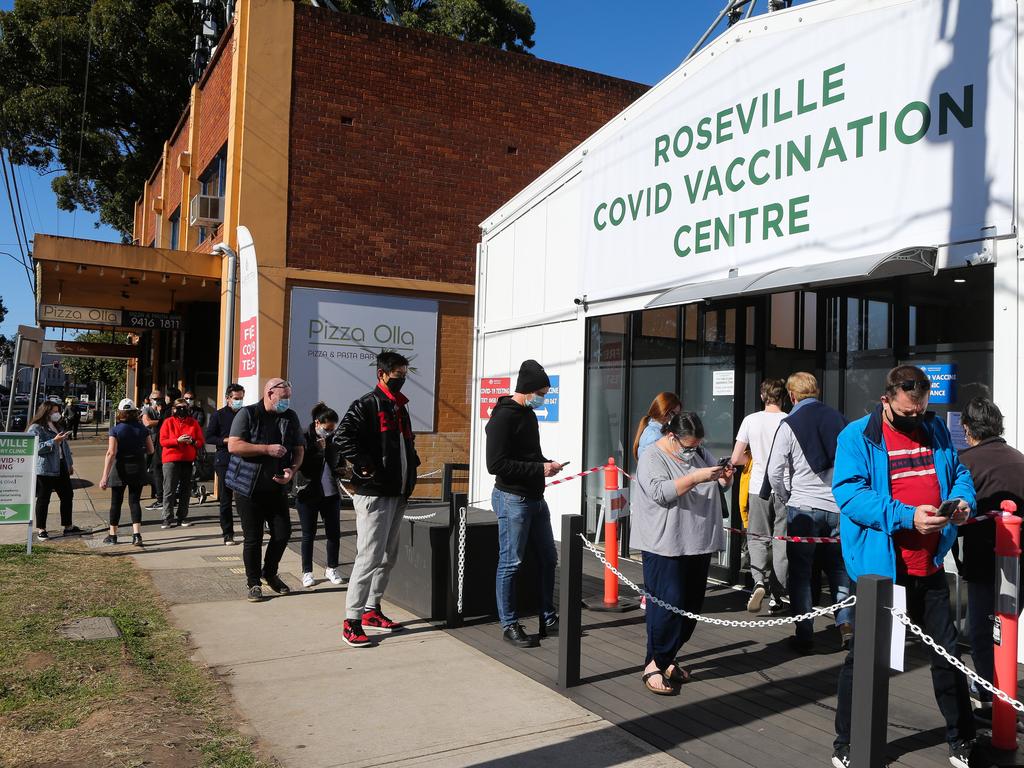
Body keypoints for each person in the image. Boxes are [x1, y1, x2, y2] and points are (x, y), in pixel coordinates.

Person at [831, 365, 977, 768]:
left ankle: (961, 737)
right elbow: (850, 496)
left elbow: (961, 474)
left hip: (929, 566)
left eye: (921, 411)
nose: (916, 419)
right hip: (882, 572)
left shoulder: (934, 429)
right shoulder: (858, 436)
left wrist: (963, 503)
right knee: (865, 660)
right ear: (886, 400)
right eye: (907, 413)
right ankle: (847, 741)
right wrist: (907, 516)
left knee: (947, 657)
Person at [633, 411, 732, 695]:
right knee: (666, 606)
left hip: (698, 541)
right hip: (664, 543)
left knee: (690, 608)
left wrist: (724, 477)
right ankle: (653, 664)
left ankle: (666, 658)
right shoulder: (653, 456)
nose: (693, 450)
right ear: (672, 436)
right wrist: (698, 476)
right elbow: (660, 492)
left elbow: (721, 483)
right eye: (688, 445)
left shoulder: (700, 452)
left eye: (697, 445)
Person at [336, 352, 420, 647]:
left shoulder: (400, 407)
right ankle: (352, 619)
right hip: (374, 492)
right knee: (369, 556)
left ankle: (372, 609)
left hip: (397, 491)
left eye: (405, 372)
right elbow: (342, 437)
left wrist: (413, 465)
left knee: (387, 556)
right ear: (382, 374)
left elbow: (405, 444)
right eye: (398, 372)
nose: (402, 377)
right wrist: (365, 464)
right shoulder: (366, 404)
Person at [765, 372, 851, 652]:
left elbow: (775, 470)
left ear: (792, 395)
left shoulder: (789, 424)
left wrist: (785, 495)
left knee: (801, 572)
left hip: (803, 505)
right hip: (837, 506)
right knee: (839, 569)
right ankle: (845, 624)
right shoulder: (839, 419)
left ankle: (805, 633)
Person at [485, 359, 563, 650]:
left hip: (535, 498)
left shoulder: (528, 414)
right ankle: (509, 624)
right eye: (541, 391)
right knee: (511, 562)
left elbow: (529, 455)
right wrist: (539, 469)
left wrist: (546, 464)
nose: (543, 397)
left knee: (548, 557)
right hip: (512, 498)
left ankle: (548, 617)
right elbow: (496, 464)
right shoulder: (504, 417)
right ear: (529, 389)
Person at [955, 397, 1024, 716]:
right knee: (1006, 628)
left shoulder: (965, 462)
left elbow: (955, 514)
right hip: (1019, 563)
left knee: (981, 631)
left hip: (984, 562)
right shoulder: (1019, 459)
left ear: (967, 428)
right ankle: (999, 690)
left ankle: (987, 693)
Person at [227, 378, 304, 602]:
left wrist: (292, 470)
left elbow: (299, 449)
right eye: (283, 398)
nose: (286, 402)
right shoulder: (248, 414)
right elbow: (234, 445)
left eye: (289, 397)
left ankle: (269, 573)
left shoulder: (290, 417)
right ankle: (253, 583)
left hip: (277, 486)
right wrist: (266, 449)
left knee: (282, 533)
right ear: (270, 394)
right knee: (254, 537)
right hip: (247, 487)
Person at [731, 378, 788, 615]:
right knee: (781, 542)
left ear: (763, 396)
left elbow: (735, 459)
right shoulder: (789, 420)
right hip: (785, 487)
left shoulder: (750, 420)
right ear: (784, 397)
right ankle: (778, 596)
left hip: (757, 487)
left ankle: (758, 581)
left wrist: (751, 460)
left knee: (757, 538)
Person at [295, 402, 347, 588]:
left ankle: (332, 567)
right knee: (309, 534)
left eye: (333, 429)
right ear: (318, 423)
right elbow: (302, 465)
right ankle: (307, 572)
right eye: (327, 428)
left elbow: (338, 460)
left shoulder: (334, 440)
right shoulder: (304, 436)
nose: (330, 432)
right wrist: (319, 450)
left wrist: (341, 468)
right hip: (308, 490)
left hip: (331, 492)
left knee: (334, 533)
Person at [99, 399, 154, 546]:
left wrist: (104, 476)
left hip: (120, 468)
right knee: (134, 501)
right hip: (138, 468)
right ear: (135, 412)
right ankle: (137, 535)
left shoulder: (116, 430)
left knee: (116, 502)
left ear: (120, 412)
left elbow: (111, 453)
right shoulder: (143, 429)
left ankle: (113, 535)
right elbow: (151, 450)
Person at [26, 401, 82, 539]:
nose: (56, 414)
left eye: (57, 411)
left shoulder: (58, 425)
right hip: (46, 469)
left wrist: (69, 464)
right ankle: (41, 529)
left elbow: (65, 448)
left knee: (67, 495)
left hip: (61, 465)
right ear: (45, 412)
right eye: (53, 412)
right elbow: (35, 448)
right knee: (44, 499)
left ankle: (68, 526)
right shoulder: (36, 428)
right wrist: (53, 442)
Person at [205, 384, 245, 545]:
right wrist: (226, 440)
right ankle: (228, 533)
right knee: (226, 498)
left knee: (244, 497)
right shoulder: (218, 415)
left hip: (244, 459)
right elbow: (209, 437)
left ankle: (250, 529)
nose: (239, 401)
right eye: (236, 399)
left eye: (241, 398)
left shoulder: (246, 413)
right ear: (228, 398)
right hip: (225, 460)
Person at [159, 397, 204, 529]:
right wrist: (177, 440)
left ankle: (182, 516)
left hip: (187, 460)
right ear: (174, 409)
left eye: (185, 407)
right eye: (179, 407)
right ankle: (167, 517)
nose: (182, 410)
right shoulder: (168, 422)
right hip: (171, 459)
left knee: (186, 490)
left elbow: (200, 441)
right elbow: (163, 441)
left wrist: (192, 442)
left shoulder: (193, 423)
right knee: (169, 489)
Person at [633, 392, 682, 459]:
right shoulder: (655, 436)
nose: (675, 418)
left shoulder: (654, 430)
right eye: (673, 413)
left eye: (677, 414)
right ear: (664, 411)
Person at [142, 391, 165, 509]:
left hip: (160, 445)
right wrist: (162, 422)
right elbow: (147, 422)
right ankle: (138, 493)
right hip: (149, 444)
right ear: (150, 399)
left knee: (157, 470)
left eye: (159, 398)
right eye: (155, 399)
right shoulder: (147, 410)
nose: (157, 400)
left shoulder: (163, 411)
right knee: (144, 468)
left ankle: (156, 493)